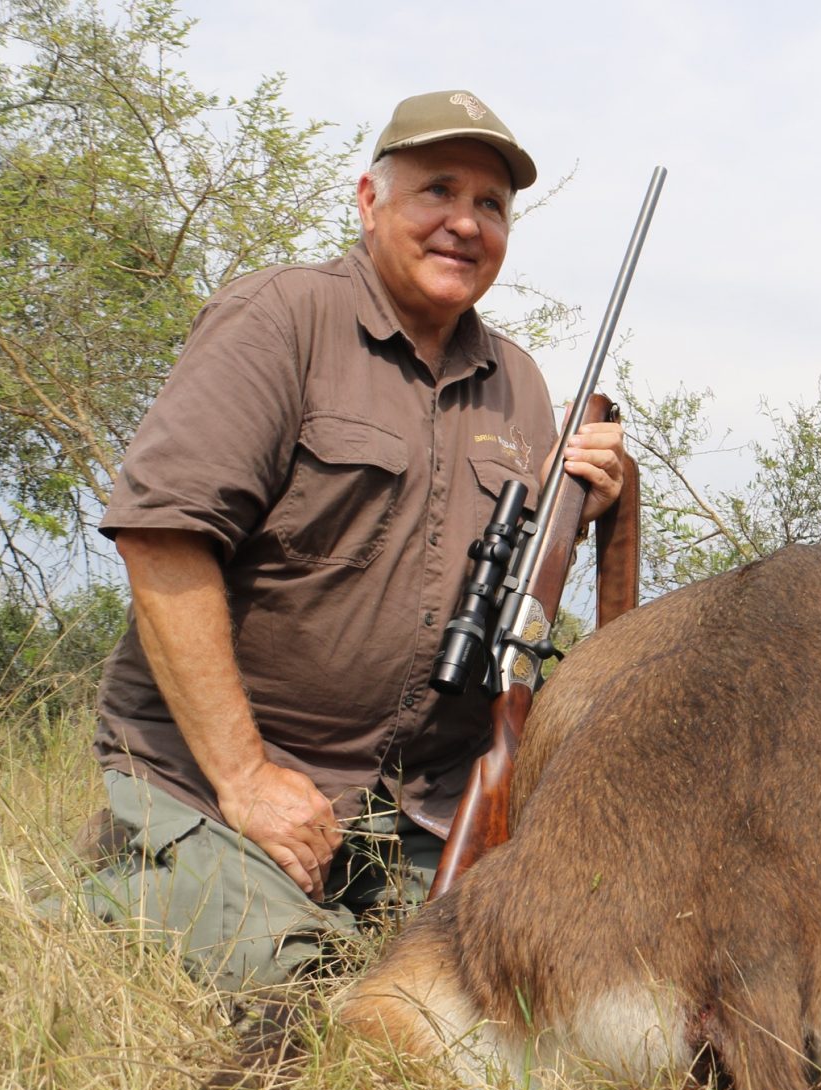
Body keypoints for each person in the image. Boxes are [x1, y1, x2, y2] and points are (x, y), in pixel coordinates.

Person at [62, 90, 627, 997]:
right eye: (437, 191)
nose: (464, 223)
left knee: (530, 988)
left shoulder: (517, 382)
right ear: (369, 201)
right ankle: (139, 868)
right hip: (229, 783)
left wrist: (581, 504)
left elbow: (510, 615)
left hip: (412, 807)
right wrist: (245, 778)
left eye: (491, 205)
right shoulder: (279, 317)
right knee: (302, 987)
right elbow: (159, 539)